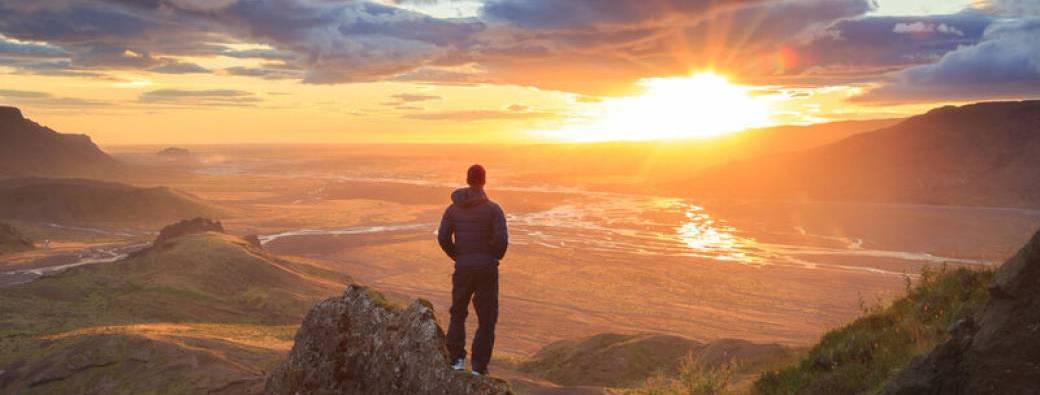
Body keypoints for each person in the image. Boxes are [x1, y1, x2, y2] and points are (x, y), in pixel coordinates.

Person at [437, 164, 508, 376]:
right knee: (487, 318)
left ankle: (456, 360)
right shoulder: (494, 209)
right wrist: (493, 256)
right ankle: (478, 368)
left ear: (467, 180)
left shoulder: (452, 209)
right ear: (483, 181)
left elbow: (442, 238)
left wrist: (459, 256)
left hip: (463, 268)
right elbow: (502, 241)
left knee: (458, 313)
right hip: (486, 269)